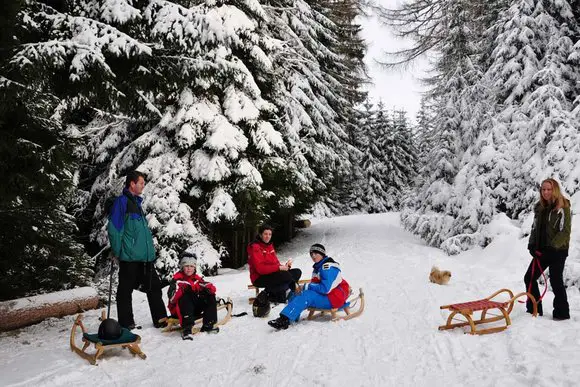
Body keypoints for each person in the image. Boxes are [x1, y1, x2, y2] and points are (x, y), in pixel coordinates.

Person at [108, 170, 168, 329]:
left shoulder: (136, 203)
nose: (143, 186)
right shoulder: (121, 202)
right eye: (141, 183)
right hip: (129, 257)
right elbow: (114, 229)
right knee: (125, 291)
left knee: (154, 287)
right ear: (132, 184)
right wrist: (119, 251)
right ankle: (127, 323)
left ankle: (161, 319)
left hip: (145, 258)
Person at [268, 244, 350, 330]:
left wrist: (307, 286)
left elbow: (325, 289)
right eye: (311, 254)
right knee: (296, 292)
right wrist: (303, 287)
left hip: (334, 297)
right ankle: (291, 318)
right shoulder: (318, 267)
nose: (313, 256)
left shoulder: (327, 267)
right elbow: (316, 285)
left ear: (322, 254)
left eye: (315, 253)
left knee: (306, 295)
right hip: (328, 296)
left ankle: (284, 319)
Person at [525, 178, 571, 320]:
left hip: (558, 251)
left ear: (554, 190)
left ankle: (562, 313)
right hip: (541, 251)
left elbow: (565, 231)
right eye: (543, 189)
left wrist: (552, 248)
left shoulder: (562, 207)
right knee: (529, 278)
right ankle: (534, 310)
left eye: (549, 189)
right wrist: (532, 245)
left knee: (556, 281)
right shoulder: (539, 207)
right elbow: (534, 228)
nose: (546, 192)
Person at [167, 253, 219, 340]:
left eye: (191, 266)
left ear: (194, 267)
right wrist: (182, 290)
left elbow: (207, 287)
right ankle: (187, 329)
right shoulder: (177, 280)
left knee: (209, 295)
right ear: (182, 267)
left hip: (194, 309)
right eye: (186, 266)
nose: (189, 268)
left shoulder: (196, 279)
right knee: (186, 296)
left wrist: (208, 288)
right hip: (179, 310)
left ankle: (209, 324)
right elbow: (172, 299)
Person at [247, 224, 301, 303]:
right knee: (286, 276)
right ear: (260, 235)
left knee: (296, 272)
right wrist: (279, 268)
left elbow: (276, 263)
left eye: (270, 234)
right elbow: (260, 269)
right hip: (259, 278)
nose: (268, 236)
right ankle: (273, 293)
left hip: (272, 275)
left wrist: (285, 266)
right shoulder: (255, 247)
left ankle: (277, 293)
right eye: (265, 234)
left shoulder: (269, 246)